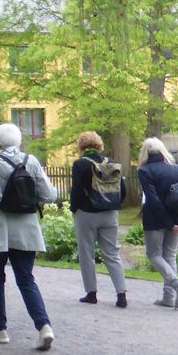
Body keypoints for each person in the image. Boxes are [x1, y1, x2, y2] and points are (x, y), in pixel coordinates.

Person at [0, 123, 57, 350]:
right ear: (19, 140)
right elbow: (50, 194)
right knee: (26, 278)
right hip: (26, 228)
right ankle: (44, 326)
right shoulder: (31, 161)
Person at [70, 131, 128, 307]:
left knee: (86, 253)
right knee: (112, 253)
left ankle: (91, 293)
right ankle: (121, 294)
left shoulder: (80, 164)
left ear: (81, 145)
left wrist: (74, 209)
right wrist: (113, 205)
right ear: (99, 145)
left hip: (87, 213)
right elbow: (123, 190)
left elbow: (77, 191)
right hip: (110, 214)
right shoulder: (111, 163)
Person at [137, 137, 178, 310]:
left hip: (155, 218)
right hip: (176, 216)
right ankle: (169, 297)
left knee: (154, 254)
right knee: (170, 255)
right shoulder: (175, 169)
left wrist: (168, 222)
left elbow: (153, 200)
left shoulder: (144, 171)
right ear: (163, 151)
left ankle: (175, 283)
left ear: (145, 152)